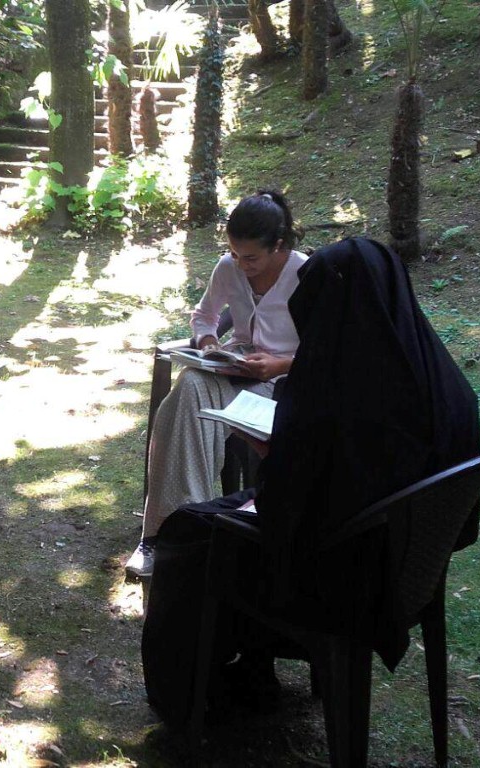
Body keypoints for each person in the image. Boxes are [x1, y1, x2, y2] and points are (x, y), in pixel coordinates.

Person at [141, 236, 480, 730]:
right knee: (218, 521)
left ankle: (188, 699)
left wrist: (272, 455)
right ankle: (253, 675)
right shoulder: (442, 381)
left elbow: (285, 511)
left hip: (343, 574)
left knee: (188, 534)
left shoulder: (339, 402)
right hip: (405, 561)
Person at [125, 189, 308, 577]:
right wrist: (209, 345)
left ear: (278, 245)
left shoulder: (305, 275)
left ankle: (178, 532)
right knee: (190, 385)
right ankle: (172, 532)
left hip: (286, 384)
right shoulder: (228, 267)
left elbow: (328, 349)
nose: (242, 265)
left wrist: (278, 364)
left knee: (183, 407)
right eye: (235, 254)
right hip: (236, 370)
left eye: (252, 258)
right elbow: (204, 316)